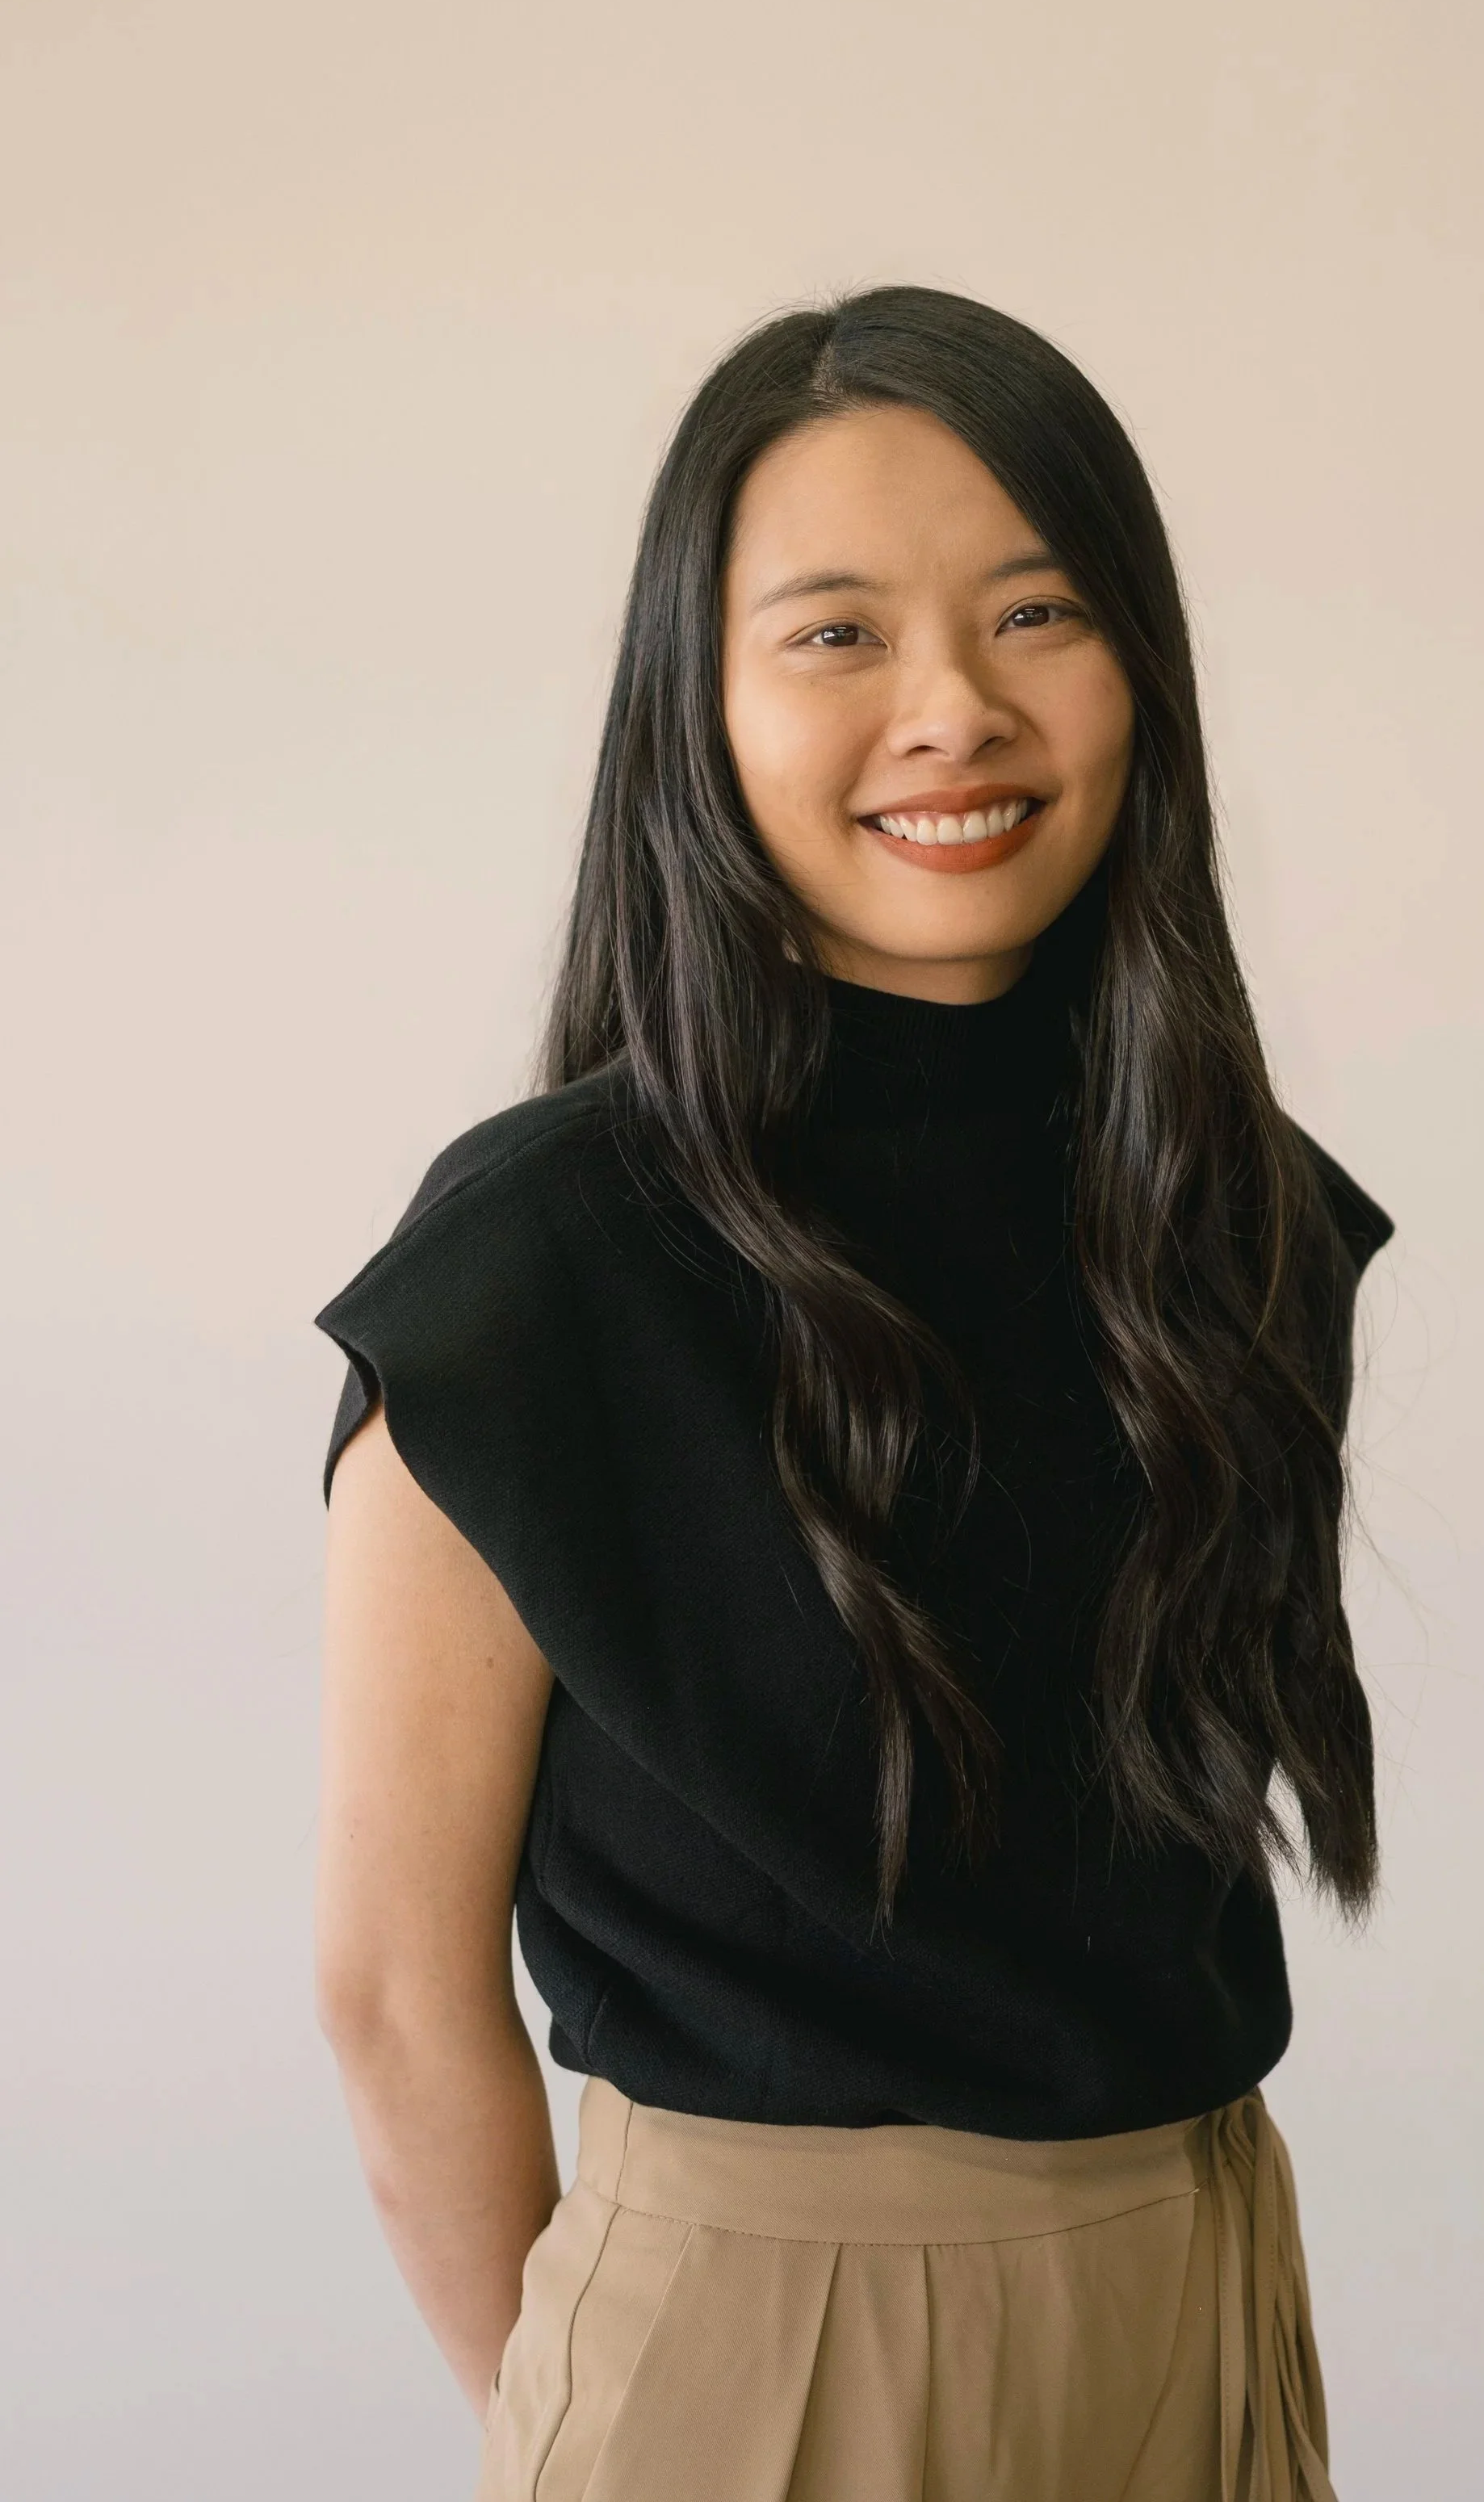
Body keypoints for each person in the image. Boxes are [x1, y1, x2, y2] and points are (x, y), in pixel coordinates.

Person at [313, 286, 1393, 2502]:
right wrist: (606, 2417)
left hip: (1202, 2274)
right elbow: (398, 1992)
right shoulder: (537, 1271)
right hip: (758, 2347)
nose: (954, 711)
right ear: (691, 706)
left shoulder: (1238, 1218)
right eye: (834, 635)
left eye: (1038, 612)